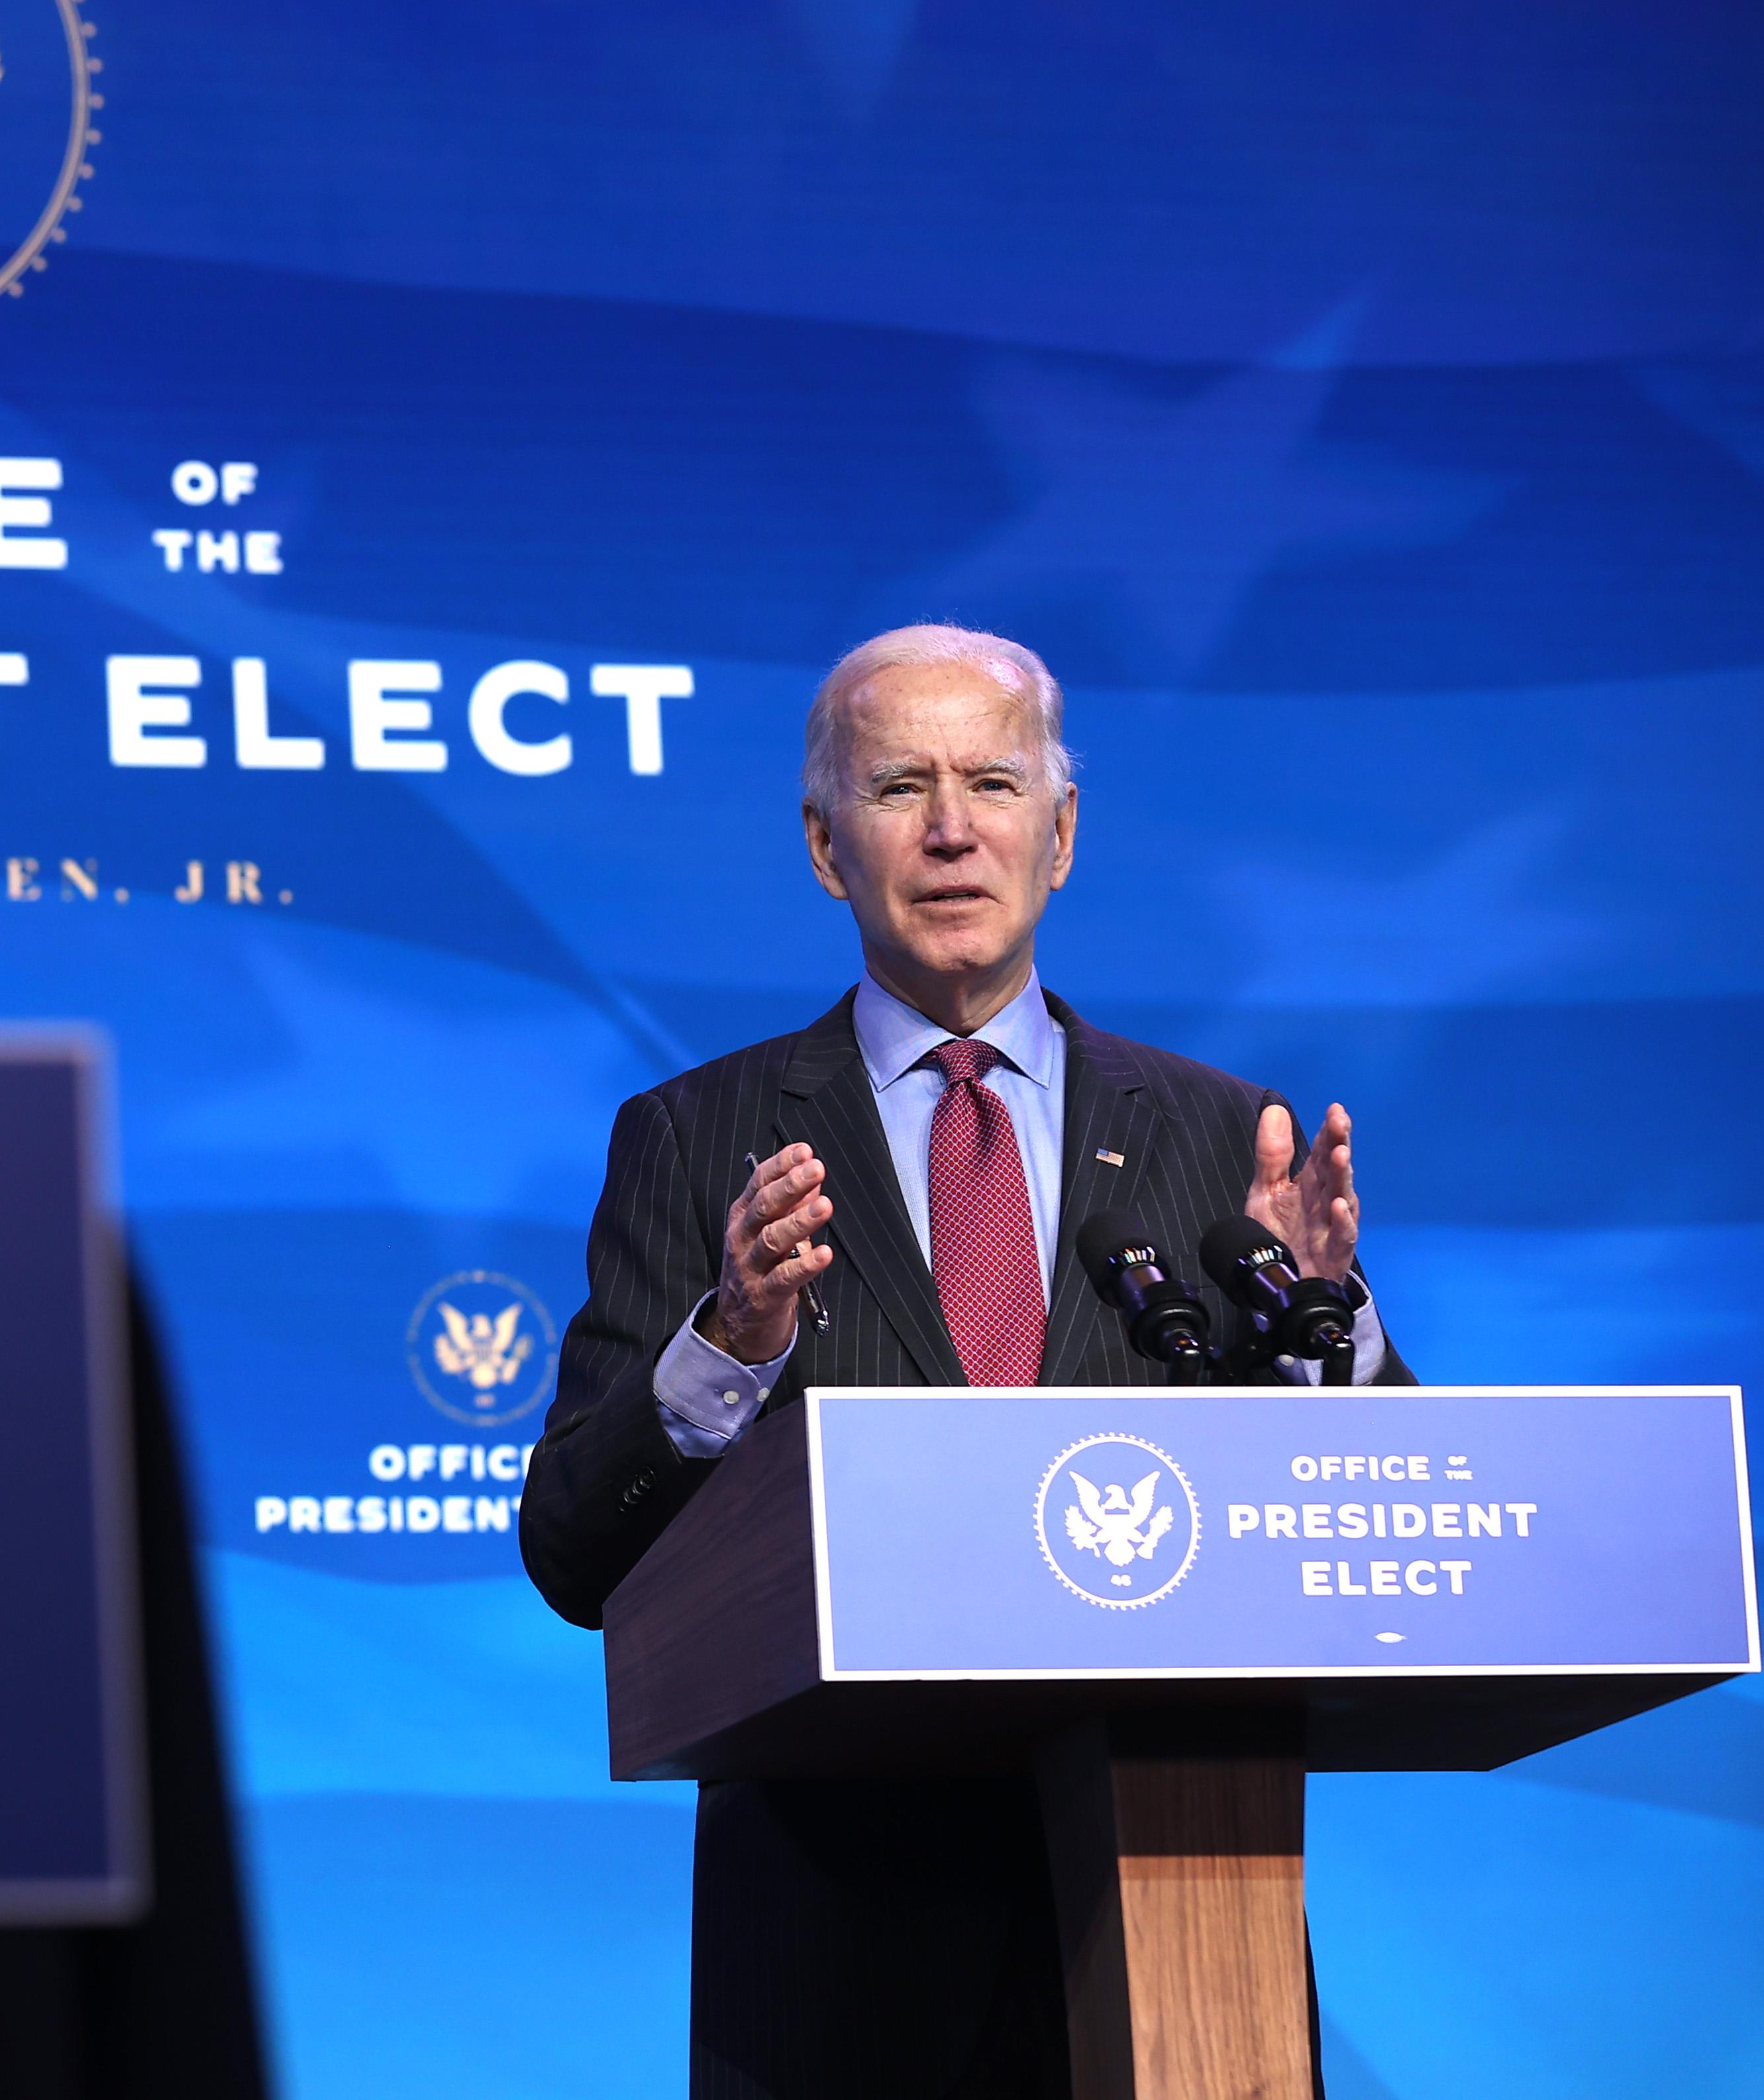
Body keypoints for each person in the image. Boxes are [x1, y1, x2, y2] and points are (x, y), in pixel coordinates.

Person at [518, 623, 1412, 2100]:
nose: (951, 829)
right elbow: (571, 1548)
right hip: (832, 1951)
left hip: (1184, 1920)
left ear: (1060, 838)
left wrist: (1332, 1319)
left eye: (994, 784)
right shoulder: (696, 1136)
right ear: (825, 846)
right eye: (899, 788)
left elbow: (1386, 1504)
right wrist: (730, 1342)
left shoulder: (1217, 1138)